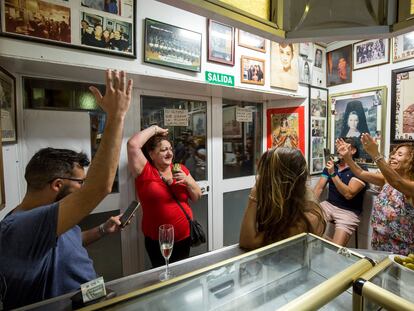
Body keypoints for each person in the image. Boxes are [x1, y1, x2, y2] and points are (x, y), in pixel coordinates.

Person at [0, 70, 133, 309]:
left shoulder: (51, 220)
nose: (83, 188)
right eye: (80, 183)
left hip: (91, 300)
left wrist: (103, 229)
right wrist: (116, 116)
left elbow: (69, 241)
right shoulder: (19, 228)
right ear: (57, 185)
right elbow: (99, 187)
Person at [127, 126, 202, 268]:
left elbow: (197, 196)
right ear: (151, 154)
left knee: (180, 273)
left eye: (170, 149)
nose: (169, 153)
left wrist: (188, 181)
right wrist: (155, 129)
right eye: (163, 150)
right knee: (161, 273)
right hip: (157, 239)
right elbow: (132, 145)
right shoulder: (145, 171)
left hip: (183, 235)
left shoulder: (180, 169)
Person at [336, 134, 414, 255]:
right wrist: (347, 157)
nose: (393, 157)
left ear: (411, 161)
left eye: (400, 155)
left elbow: (398, 182)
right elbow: (360, 172)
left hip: (401, 250)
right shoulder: (386, 180)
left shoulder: (410, 186)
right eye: (394, 153)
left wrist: (375, 154)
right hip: (379, 242)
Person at [239, 148, 326, 250]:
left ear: (280, 183)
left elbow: (247, 242)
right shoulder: (283, 203)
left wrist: (253, 196)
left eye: (264, 176)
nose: (260, 179)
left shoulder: (306, 218)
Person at [313, 138, 367, 246]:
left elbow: (348, 194)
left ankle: (332, 246)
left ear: (353, 151)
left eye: (344, 147)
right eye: (339, 147)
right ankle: (324, 244)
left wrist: (333, 174)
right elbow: (319, 188)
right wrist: (311, 205)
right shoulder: (332, 166)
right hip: (329, 205)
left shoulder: (360, 170)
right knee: (306, 224)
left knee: (336, 248)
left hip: (348, 211)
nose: (340, 150)